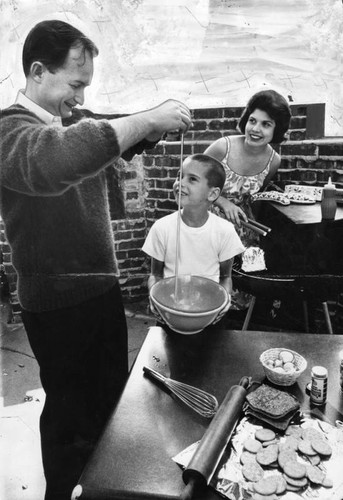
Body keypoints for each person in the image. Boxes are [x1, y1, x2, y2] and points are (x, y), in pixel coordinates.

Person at [0, 19, 191, 500]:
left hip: (101, 292)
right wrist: (146, 121)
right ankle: (62, 493)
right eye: (75, 83)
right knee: (69, 416)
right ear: (38, 71)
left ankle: (105, 489)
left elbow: (103, 130)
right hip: (57, 306)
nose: (81, 98)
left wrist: (155, 122)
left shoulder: (72, 122)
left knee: (110, 404)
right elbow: (56, 160)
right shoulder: (11, 133)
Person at [204, 89, 291, 309]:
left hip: (242, 226)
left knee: (245, 284)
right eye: (252, 120)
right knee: (204, 288)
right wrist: (223, 202)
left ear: (276, 129)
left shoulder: (274, 160)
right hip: (206, 220)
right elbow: (187, 181)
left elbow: (256, 199)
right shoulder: (222, 147)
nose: (256, 129)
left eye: (266, 124)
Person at [142, 153, 245, 323]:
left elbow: (225, 277)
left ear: (212, 194)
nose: (180, 183)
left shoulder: (225, 231)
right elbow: (156, 274)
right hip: (169, 312)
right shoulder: (162, 227)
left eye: (192, 179)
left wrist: (225, 301)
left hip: (209, 314)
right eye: (179, 176)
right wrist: (154, 298)